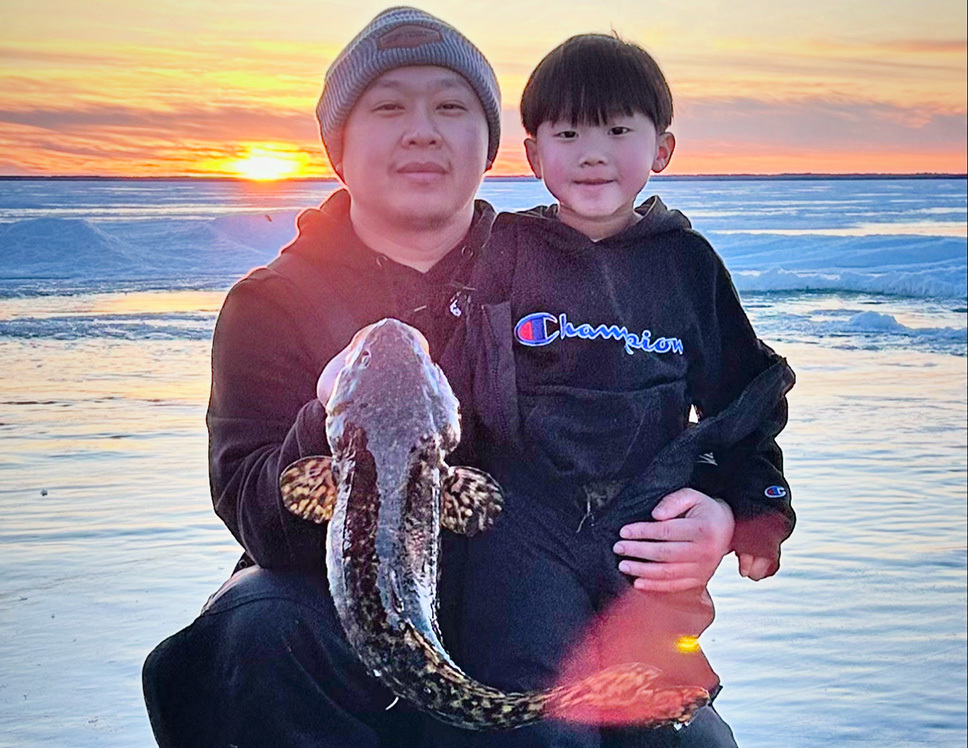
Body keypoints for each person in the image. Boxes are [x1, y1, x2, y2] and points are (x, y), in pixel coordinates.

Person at [142, 9, 738, 747]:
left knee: (684, 736)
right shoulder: (270, 304)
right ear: (336, 146)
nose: (421, 131)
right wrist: (328, 416)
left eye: (451, 108)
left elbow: (659, 415)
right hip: (341, 628)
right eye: (389, 108)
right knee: (250, 634)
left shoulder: (568, 269)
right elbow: (256, 514)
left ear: (491, 145)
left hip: (543, 607)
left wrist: (718, 510)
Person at [424, 33, 796, 747]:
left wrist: (754, 510)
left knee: (661, 713)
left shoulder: (686, 264)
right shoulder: (507, 251)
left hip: (644, 531)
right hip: (522, 526)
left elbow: (743, 401)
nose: (592, 155)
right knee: (538, 714)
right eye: (568, 135)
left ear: (662, 149)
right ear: (534, 155)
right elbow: (454, 382)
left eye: (618, 132)